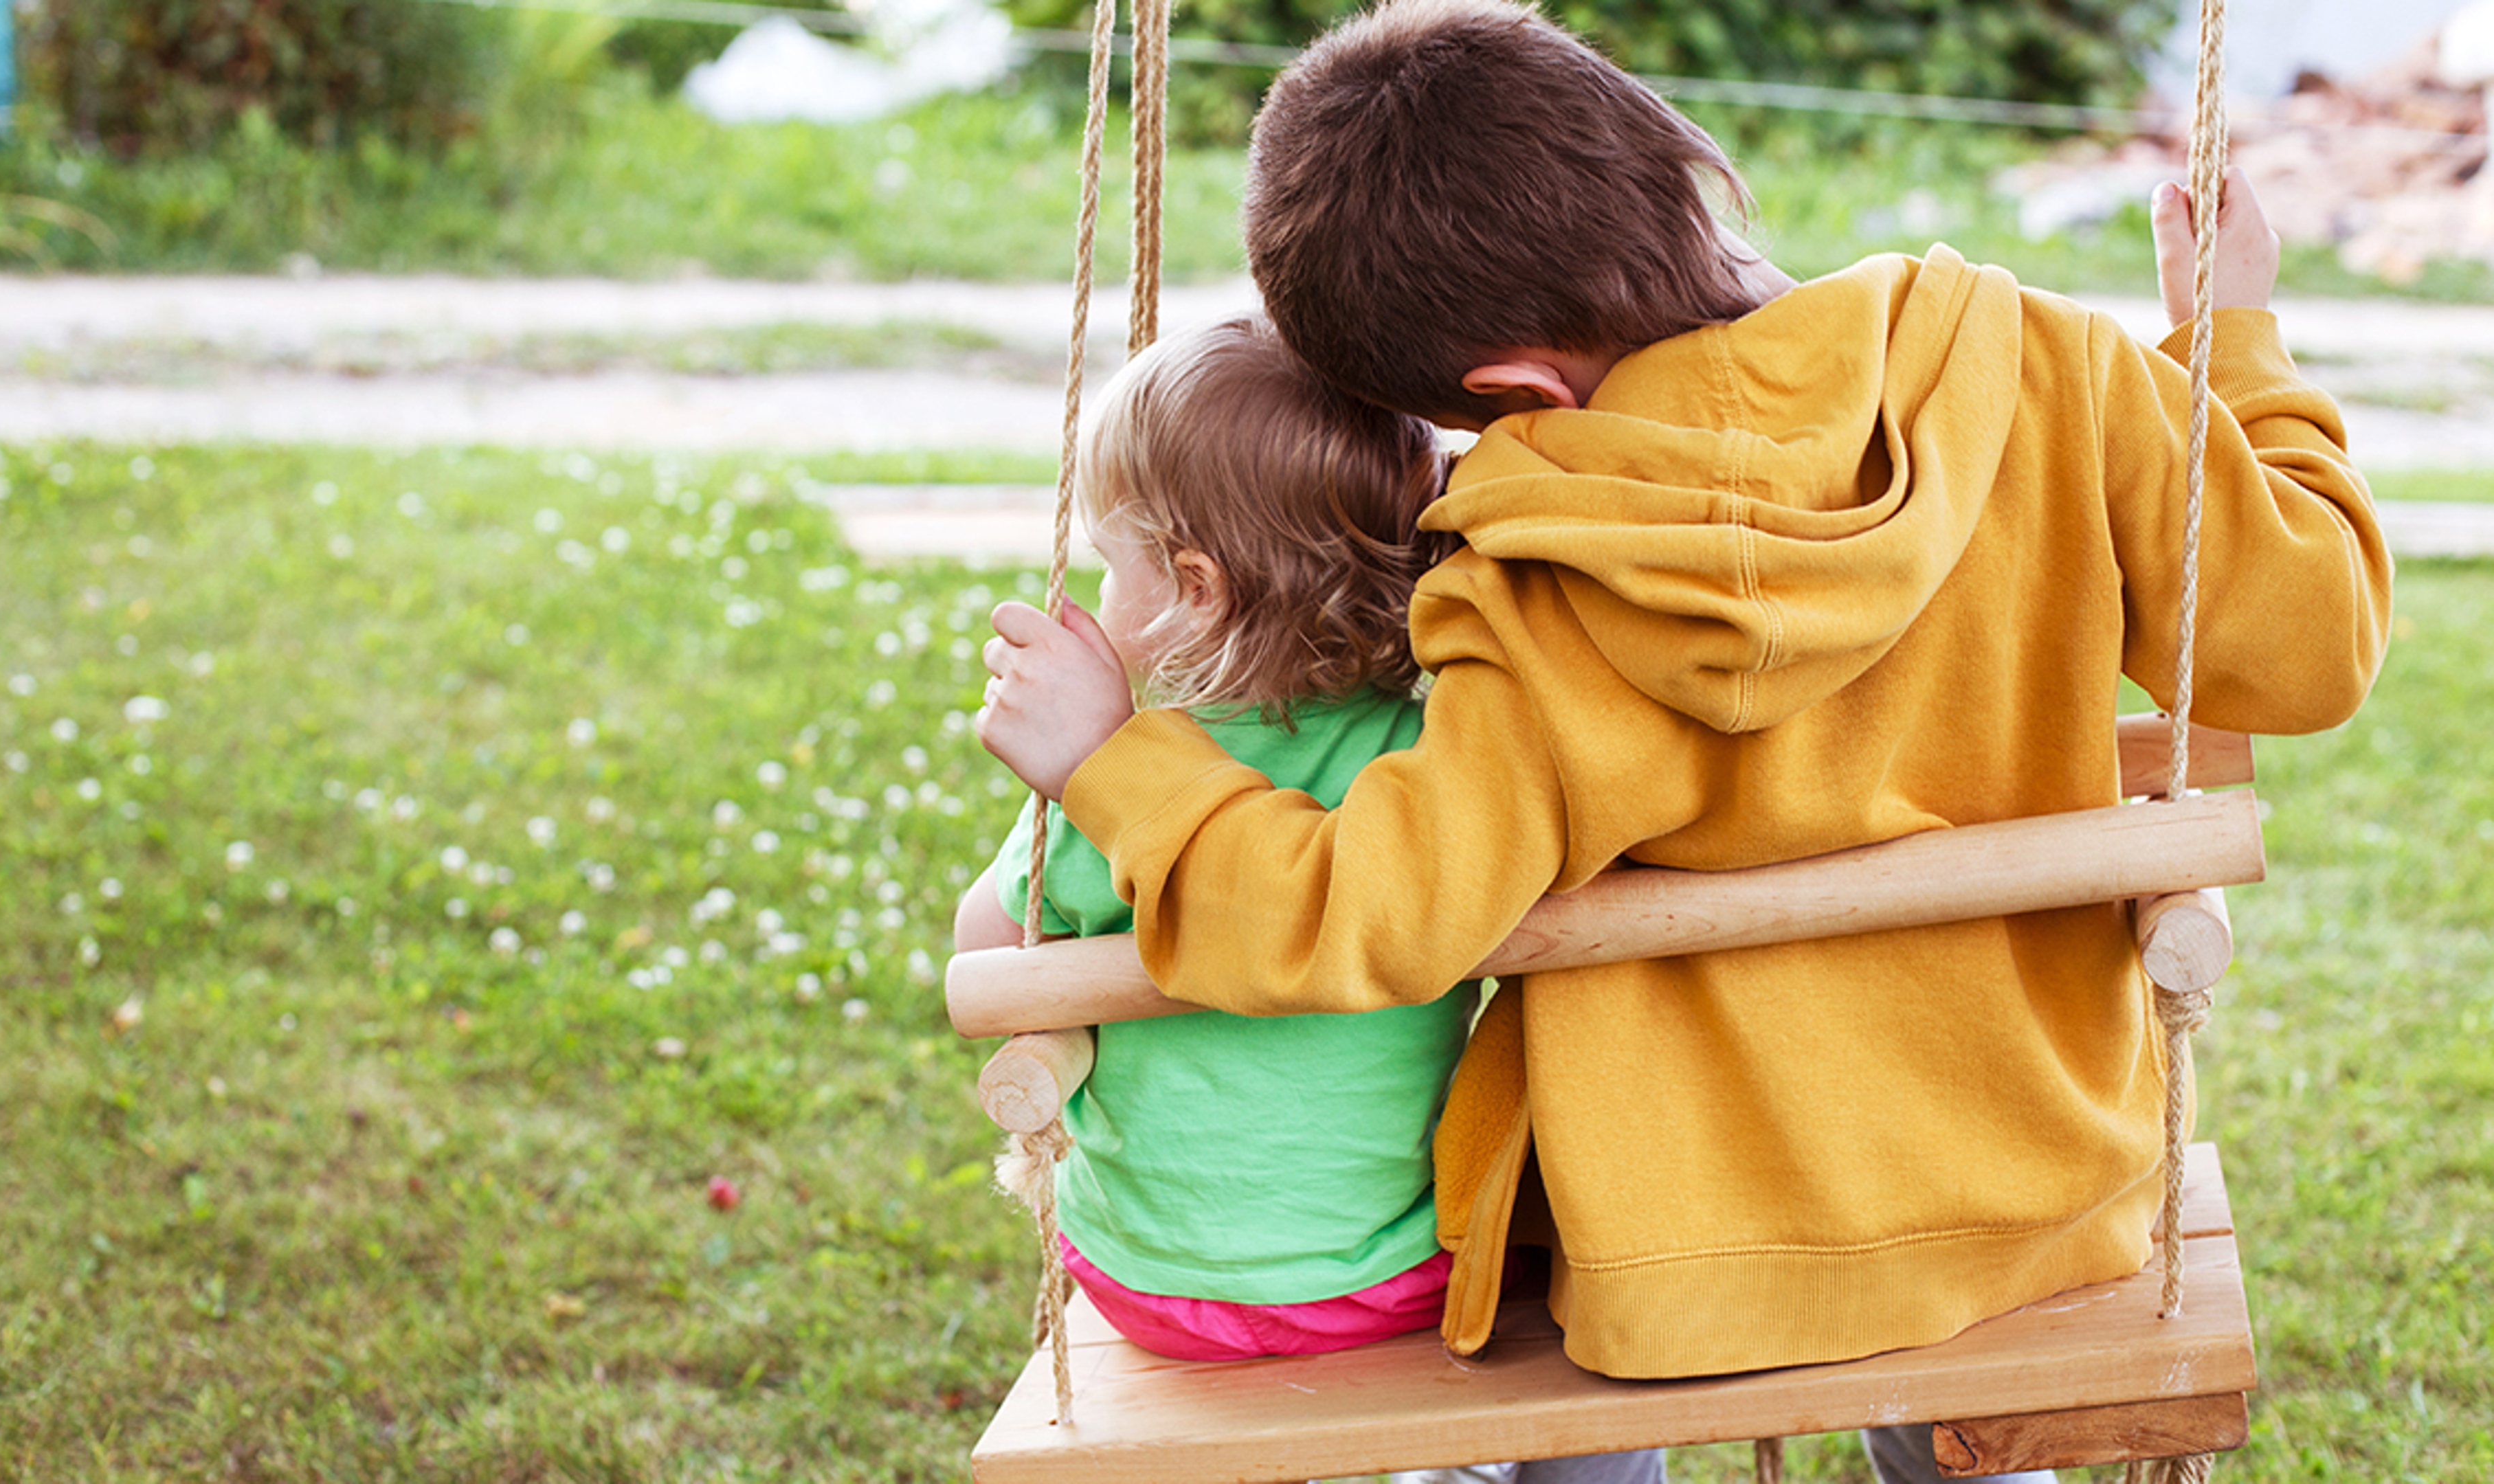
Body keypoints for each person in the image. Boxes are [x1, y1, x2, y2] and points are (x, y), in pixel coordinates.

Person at [972, 1, 2393, 1479]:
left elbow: (1359, 918)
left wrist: (1112, 761)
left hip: (1687, 1267)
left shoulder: (1538, 584)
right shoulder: (2041, 366)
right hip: (2036, 1191)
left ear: (1520, 390)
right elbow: (2315, 641)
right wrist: (2232, 340)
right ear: (1682, 163)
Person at [953, 314, 1660, 1484]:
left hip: (1155, 1289)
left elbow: (988, 960)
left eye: (1109, 563)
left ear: (1189, 588)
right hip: (1398, 1277)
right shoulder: (1433, 761)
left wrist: (1069, 778)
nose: (1093, 590)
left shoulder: (1114, 787)